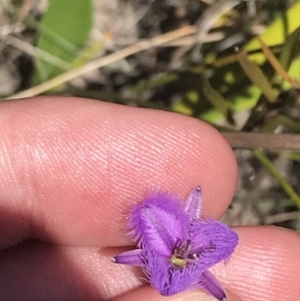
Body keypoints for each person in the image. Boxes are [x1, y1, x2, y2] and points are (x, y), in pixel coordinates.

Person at [0, 96, 299, 301]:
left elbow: (177, 268)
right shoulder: (173, 239)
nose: (180, 256)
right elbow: (160, 242)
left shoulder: (192, 253)